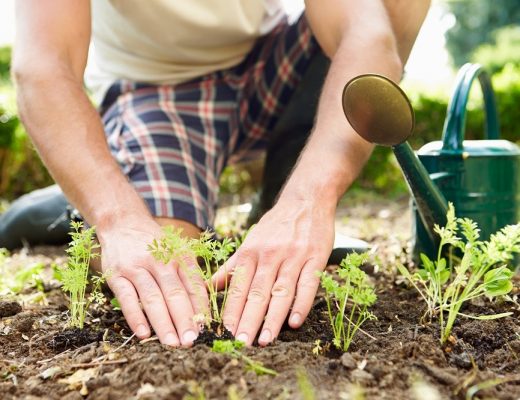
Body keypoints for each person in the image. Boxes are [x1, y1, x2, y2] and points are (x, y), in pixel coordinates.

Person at [12, 0, 430, 347]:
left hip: (270, 64)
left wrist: (309, 200)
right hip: (160, 89)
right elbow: (44, 66)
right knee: (168, 264)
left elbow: (367, 35)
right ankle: (93, 189)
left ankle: (279, 203)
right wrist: (117, 219)